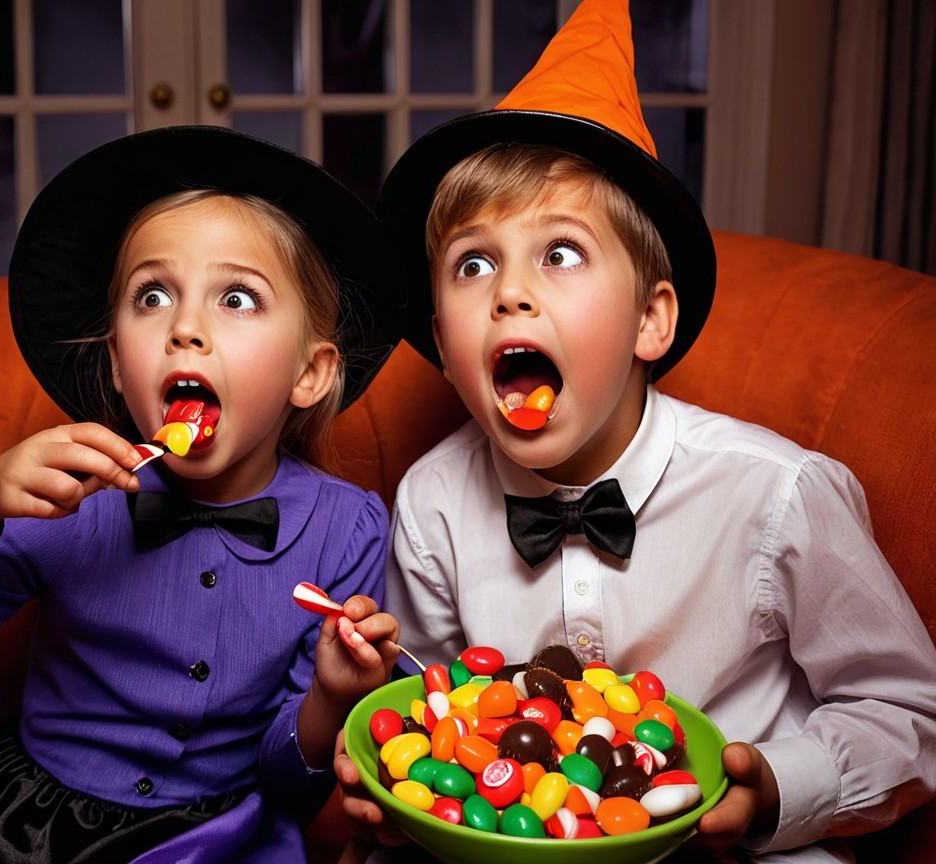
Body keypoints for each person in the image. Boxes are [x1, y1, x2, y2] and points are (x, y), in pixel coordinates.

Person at [333, 1, 936, 861]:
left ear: (651, 322)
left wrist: (778, 786)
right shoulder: (432, 501)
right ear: (441, 341)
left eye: (560, 252)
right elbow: (432, 708)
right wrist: (402, 793)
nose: (508, 293)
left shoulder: (777, 495)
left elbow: (909, 712)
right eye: (473, 263)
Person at [0, 126, 405, 863]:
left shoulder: (348, 528)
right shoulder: (69, 498)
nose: (185, 328)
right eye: (152, 295)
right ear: (120, 369)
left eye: (237, 298)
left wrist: (330, 698)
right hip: (23, 832)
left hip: (212, 841)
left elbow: (289, 788)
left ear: (310, 373)